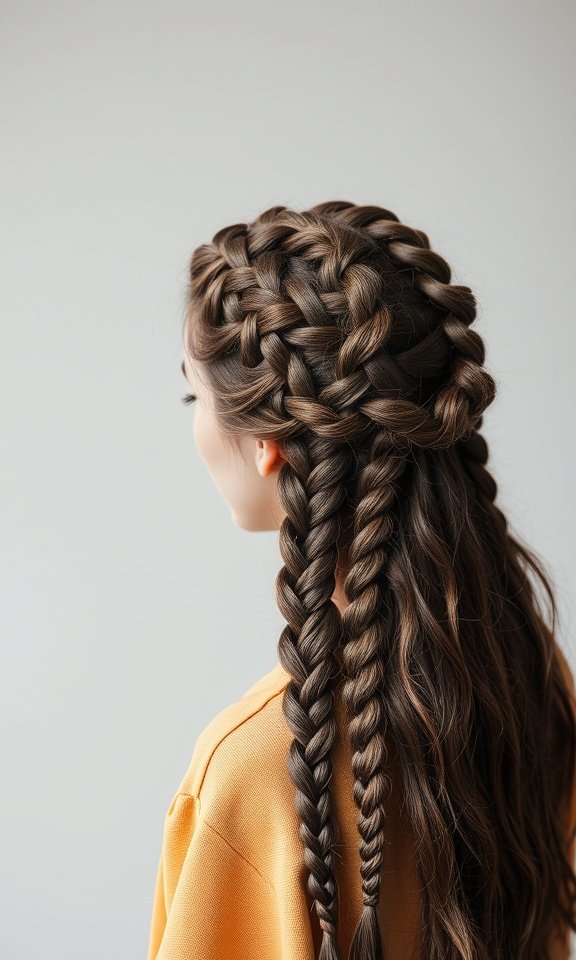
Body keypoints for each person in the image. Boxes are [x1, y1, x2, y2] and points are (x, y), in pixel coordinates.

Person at [147, 200, 576, 960]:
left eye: (195, 397)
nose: (195, 426)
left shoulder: (251, 769)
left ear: (269, 445)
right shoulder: (529, 672)